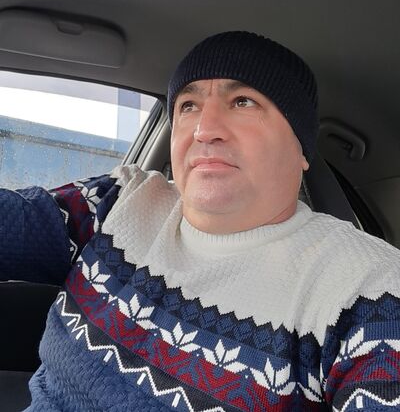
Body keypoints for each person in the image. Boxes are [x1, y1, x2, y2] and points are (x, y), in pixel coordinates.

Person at [1, 30, 399, 411]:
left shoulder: (368, 288)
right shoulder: (121, 200)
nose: (204, 130)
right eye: (188, 106)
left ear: (301, 148)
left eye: (243, 102)